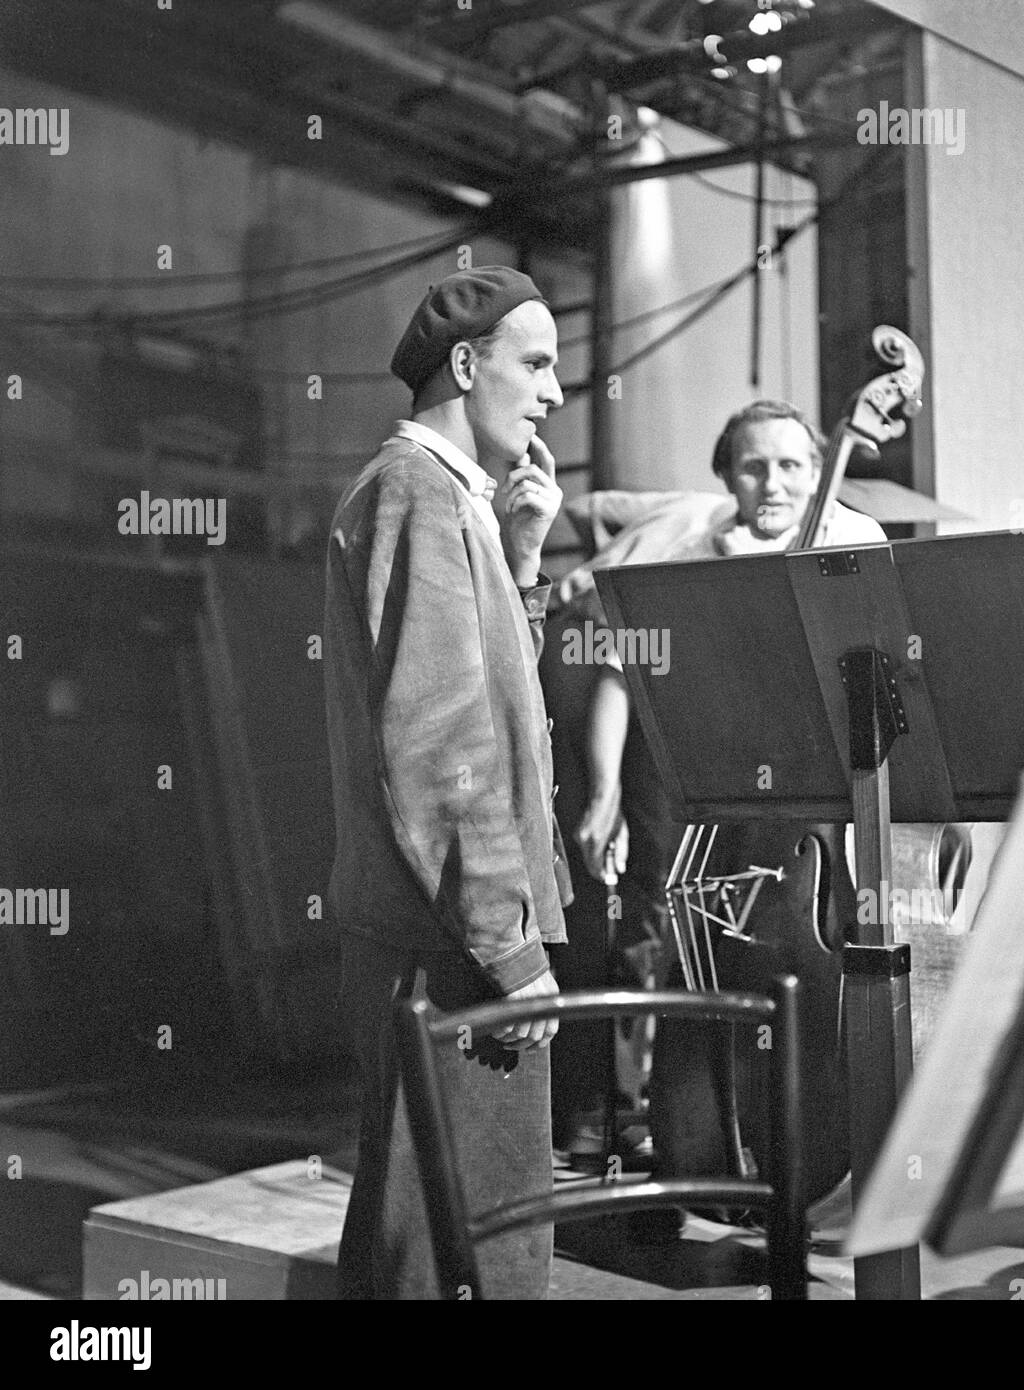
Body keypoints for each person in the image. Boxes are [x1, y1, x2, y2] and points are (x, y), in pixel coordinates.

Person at [546, 400, 884, 1166]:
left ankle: (813, 1146)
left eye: (793, 465)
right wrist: (604, 792)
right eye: (755, 465)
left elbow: (893, 673)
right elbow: (619, 675)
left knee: (810, 957)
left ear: (818, 468)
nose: (775, 483)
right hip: (698, 791)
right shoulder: (688, 554)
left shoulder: (856, 541)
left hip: (813, 797)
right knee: (674, 943)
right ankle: (684, 1142)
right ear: (727, 474)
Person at [323, 265, 570, 1299]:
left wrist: (520, 561)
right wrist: (508, 943)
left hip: (452, 935)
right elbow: (437, 746)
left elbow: (486, 705)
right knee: (449, 1253)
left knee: (455, 1234)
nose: (555, 392)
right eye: (536, 363)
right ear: (465, 366)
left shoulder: (452, 504)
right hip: (447, 944)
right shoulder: (415, 492)